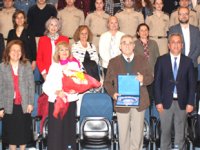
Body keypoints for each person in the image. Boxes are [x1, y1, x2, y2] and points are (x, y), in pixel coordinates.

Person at [104, 34, 153, 150]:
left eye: (130, 43)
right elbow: (107, 82)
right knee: (123, 134)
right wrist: (113, 94)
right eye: (124, 43)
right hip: (121, 102)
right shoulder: (113, 62)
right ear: (120, 46)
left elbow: (150, 77)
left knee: (138, 134)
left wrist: (143, 80)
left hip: (140, 102)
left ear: (134, 46)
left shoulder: (142, 59)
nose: (127, 45)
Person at [154, 33, 196, 150]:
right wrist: (158, 101)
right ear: (169, 45)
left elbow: (192, 84)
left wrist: (190, 103)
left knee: (181, 134)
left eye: (178, 42)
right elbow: (157, 83)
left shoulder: (188, 62)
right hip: (165, 103)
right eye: (173, 42)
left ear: (182, 45)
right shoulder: (161, 60)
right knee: (165, 133)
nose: (176, 45)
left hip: (182, 103)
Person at [43, 41, 78, 150]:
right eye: (61, 50)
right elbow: (46, 86)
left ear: (69, 52)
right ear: (57, 52)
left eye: (66, 49)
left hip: (70, 102)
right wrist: (57, 92)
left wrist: (75, 89)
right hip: (56, 103)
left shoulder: (75, 65)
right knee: (56, 132)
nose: (64, 52)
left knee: (69, 131)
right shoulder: (53, 66)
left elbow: (79, 82)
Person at [0, 39, 35, 150]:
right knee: (12, 135)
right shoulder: (2, 67)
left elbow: (31, 85)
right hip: (8, 106)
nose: (16, 53)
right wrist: (0, 107)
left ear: (22, 52)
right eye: (13, 50)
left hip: (24, 105)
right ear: (8, 52)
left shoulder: (27, 64)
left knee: (23, 133)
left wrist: (30, 102)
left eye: (19, 50)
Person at [169, 7, 200, 80]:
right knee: (179, 89)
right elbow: (172, 47)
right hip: (178, 64)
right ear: (178, 16)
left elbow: (198, 47)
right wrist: (182, 60)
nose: (184, 16)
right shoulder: (173, 29)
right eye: (181, 14)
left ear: (189, 15)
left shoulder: (195, 30)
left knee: (192, 90)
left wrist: (189, 60)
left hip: (193, 64)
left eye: (186, 14)